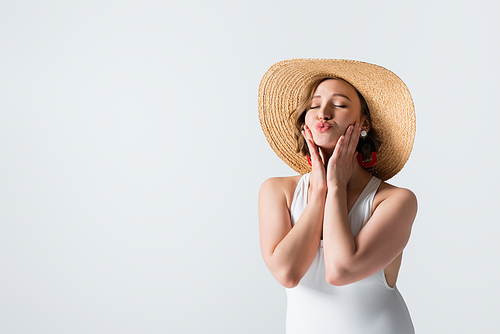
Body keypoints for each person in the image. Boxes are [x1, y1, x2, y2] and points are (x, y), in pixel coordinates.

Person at [258, 59, 417, 334]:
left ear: (363, 122)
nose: (323, 113)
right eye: (314, 105)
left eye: (340, 104)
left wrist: (336, 187)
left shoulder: (395, 200)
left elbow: (340, 270)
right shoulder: (277, 191)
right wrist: (320, 191)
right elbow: (287, 272)